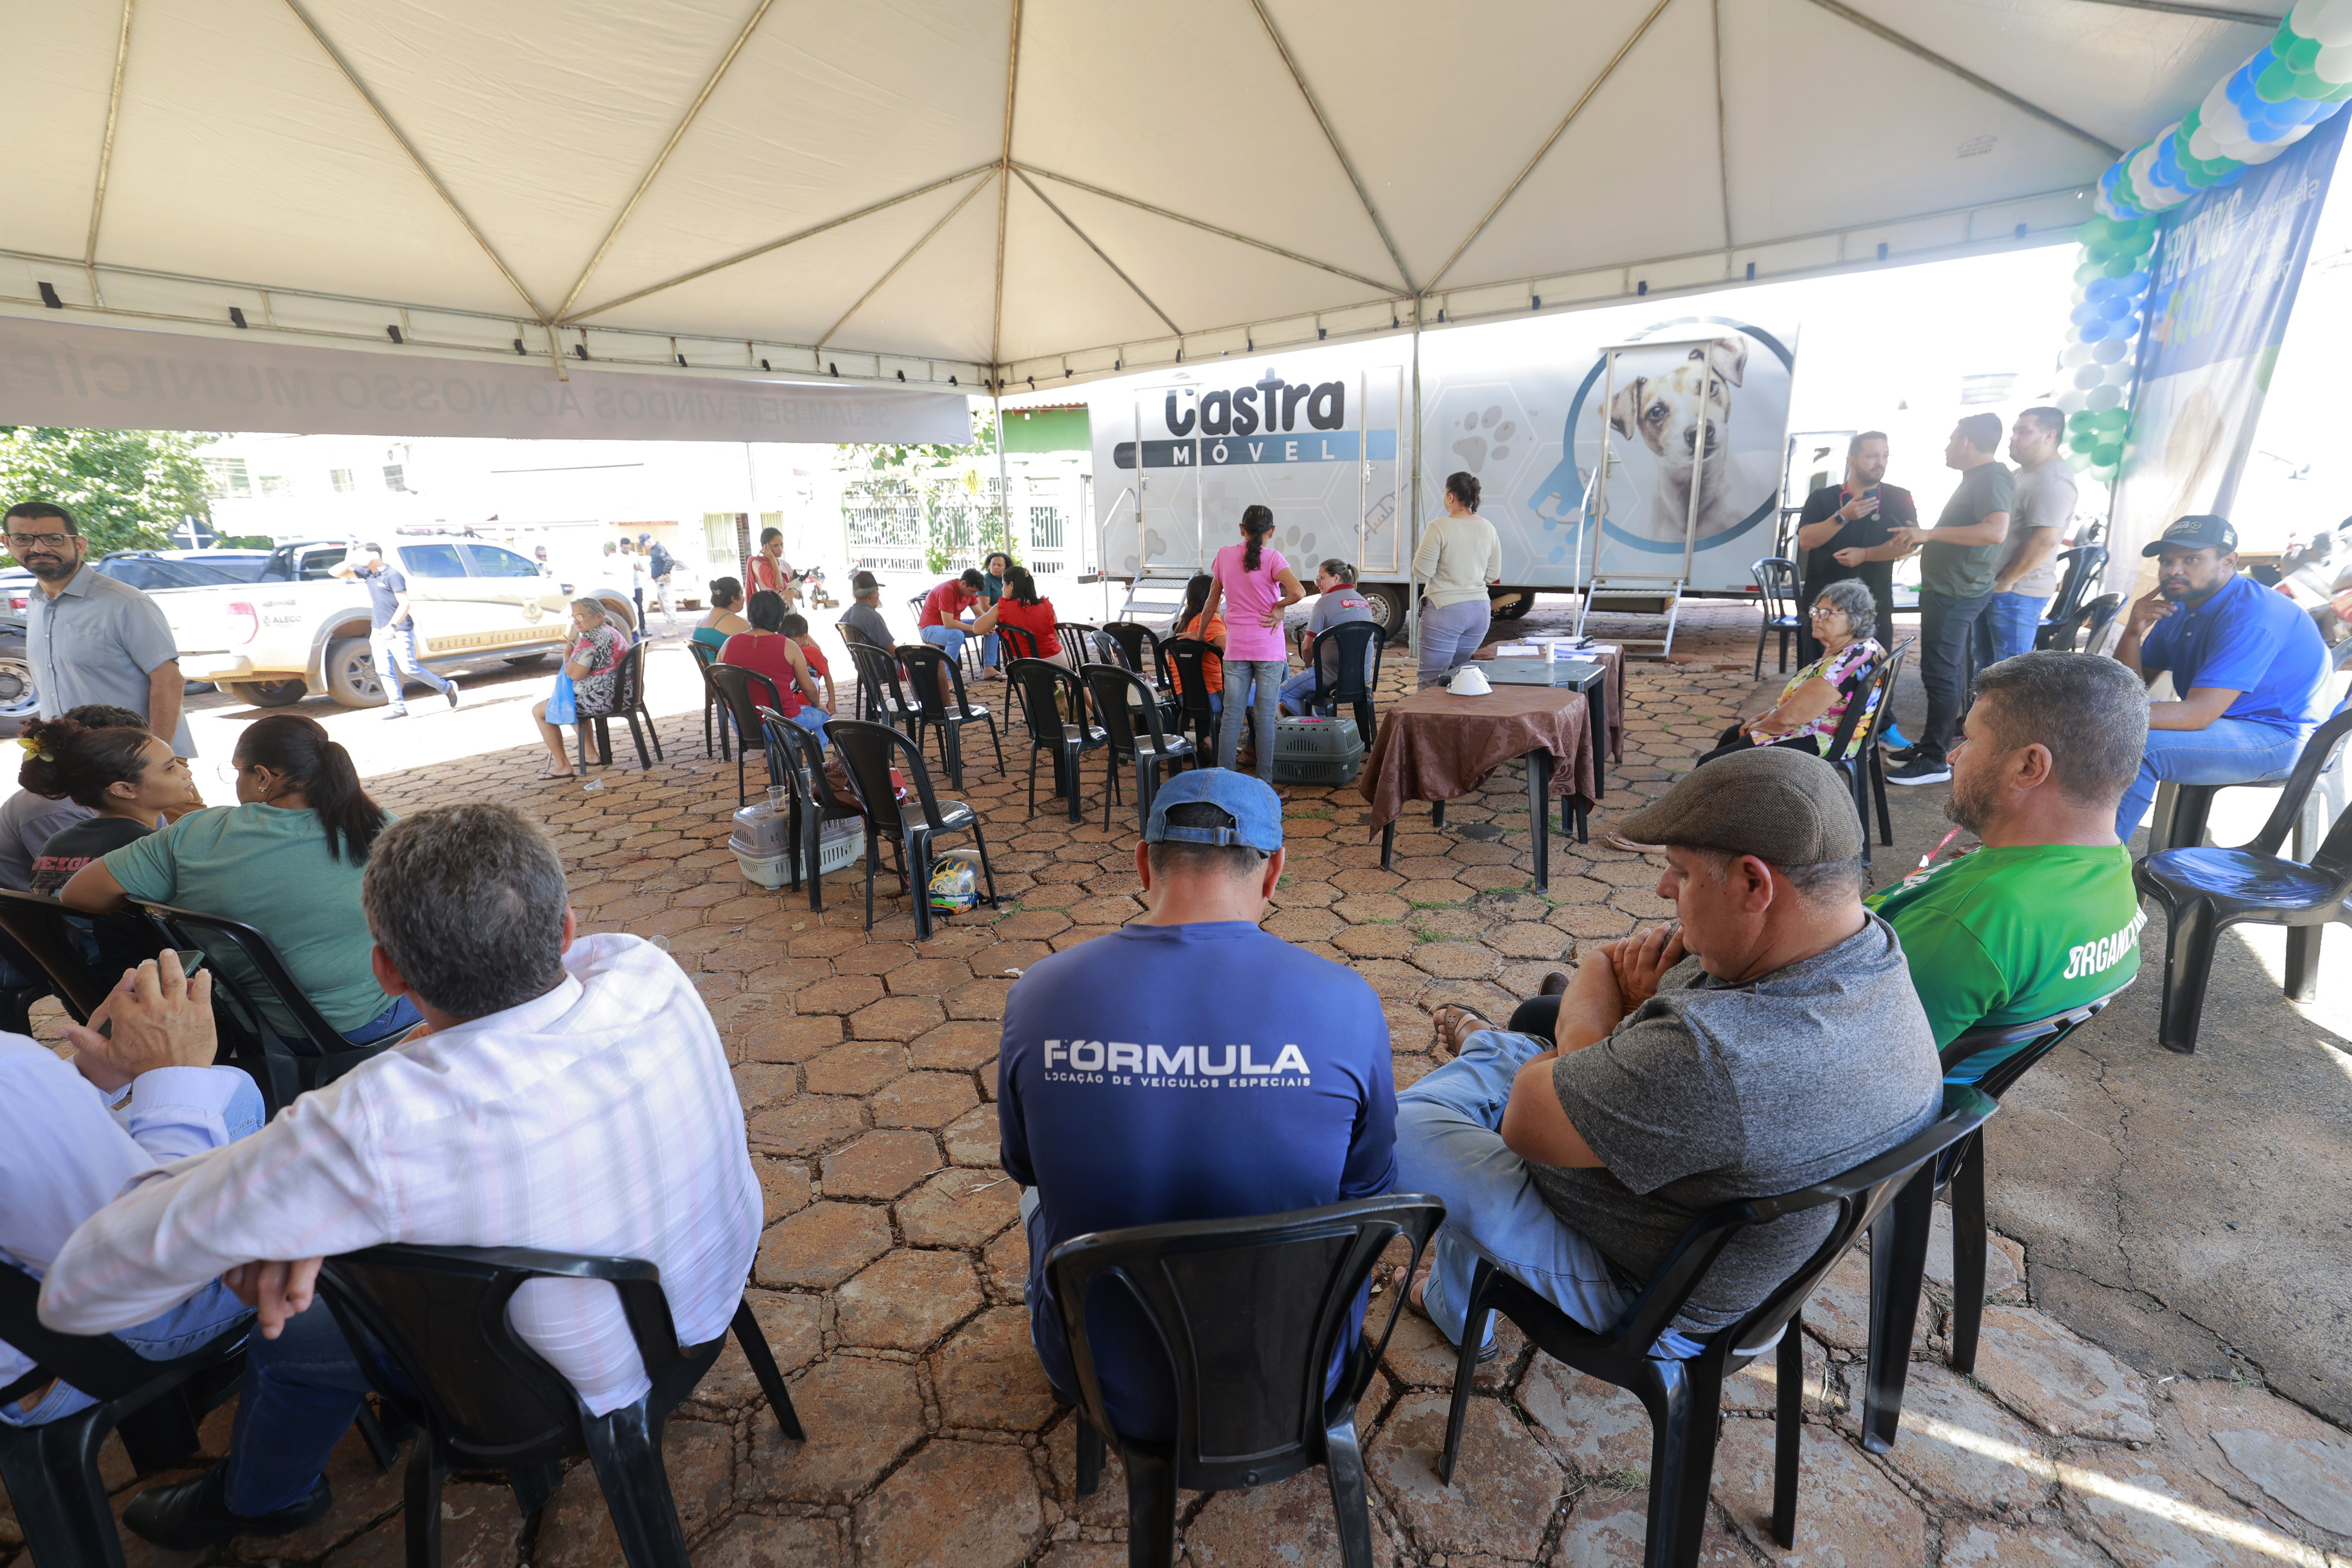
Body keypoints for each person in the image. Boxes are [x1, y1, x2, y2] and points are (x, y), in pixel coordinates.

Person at [43, 803, 760, 1547]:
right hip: (706, 1297)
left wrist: (173, 1082)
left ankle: (262, 1497)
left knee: (294, 1332)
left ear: (385, 971)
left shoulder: (370, 1123)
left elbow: (81, 1286)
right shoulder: (643, 969)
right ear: (566, 930)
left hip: (551, 1395)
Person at [1393, 747, 1940, 1357]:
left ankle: (1493, 1056)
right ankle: (1496, 1059)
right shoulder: (1871, 949)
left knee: (1400, 1128)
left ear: (1754, 883)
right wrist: (1631, 1020)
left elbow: (1529, 1125)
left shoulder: (1716, 1051)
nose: (1662, 888)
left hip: (1652, 1299)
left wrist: (1592, 1012)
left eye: (1680, 872)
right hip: (1725, 1253)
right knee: (1523, 1059)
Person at [997, 770, 1396, 1439]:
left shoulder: (1039, 992)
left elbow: (1024, 1166)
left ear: (1144, 863)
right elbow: (1369, 1186)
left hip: (1101, 1382)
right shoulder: (1347, 999)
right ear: (1274, 872)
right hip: (1295, 1373)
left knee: (1036, 1200)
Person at [3, 952, 264, 1431]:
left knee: (232, 1088)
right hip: (61, 1354)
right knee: (316, 1209)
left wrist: (85, 1080)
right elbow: (160, 1253)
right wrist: (177, 1072)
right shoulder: (11, 1072)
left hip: (31, 1315)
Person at [1867, 651, 2148, 1079]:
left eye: (1968, 740)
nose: (1952, 757)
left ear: (2029, 767)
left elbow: (1849, 1072)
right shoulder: (2108, 866)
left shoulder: (1972, 921)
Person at [60, 713, 420, 1047]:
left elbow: (77, 894)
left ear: (262, 777)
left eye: (236, 771)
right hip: (363, 1021)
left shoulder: (195, 833)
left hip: (249, 1024)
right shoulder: (385, 828)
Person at [2111, 515, 2333, 843]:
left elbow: (2197, 714)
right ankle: (2061, 847)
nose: (2174, 570)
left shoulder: (2252, 615)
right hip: (2224, 720)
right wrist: (2133, 632)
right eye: (2167, 561)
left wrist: (2096, 716)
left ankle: (2091, 865)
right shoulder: (2177, 608)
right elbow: (2128, 690)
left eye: (2191, 559)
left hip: (2285, 735)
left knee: (2136, 747)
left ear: (2229, 561)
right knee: (2104, 727)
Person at [1882, 414, 2015, 786]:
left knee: (1940, 673)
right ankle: (1932, 746)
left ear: (1966, 442)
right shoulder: (1978, 477)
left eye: (1951, 439)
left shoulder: (1992, 477)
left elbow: (1995, 531)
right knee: (1945, 671)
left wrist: (1929, 534)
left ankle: (1934, 760)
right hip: (1951, 588)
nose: (1947, 447)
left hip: (1956, 592)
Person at [9, 501, 195, 757]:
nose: (39, 548)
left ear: (79, 545)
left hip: (136, 759)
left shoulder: (125, 602)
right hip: (76, 758)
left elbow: (169, 681)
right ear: (7, 543)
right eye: (23, 539)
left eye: (53, 539)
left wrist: (155, 758)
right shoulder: (36, 603)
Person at [1693, 579, 1884, 766]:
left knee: (1710, 763)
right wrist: (1760, 719)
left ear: (1856, 619)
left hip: (1823, 740)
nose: (1817, 618)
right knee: (1731, 735)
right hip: (1823, 731)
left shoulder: (1844, 664)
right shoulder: (1865, 647)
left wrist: (1757, 727)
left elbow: (1788, 719)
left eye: (1827, 613)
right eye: (1816, 611)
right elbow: (1795, 704)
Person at [21, 717, 200, 895]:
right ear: (124, 789)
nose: (187, 772)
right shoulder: (154, 848)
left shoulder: (56, 843)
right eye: (169, 768)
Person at [0, 703, 153, 894]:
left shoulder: (127, 794)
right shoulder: (56, 809)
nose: (185, 772)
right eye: (140, 756)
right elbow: (85, 889)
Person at [1200, 507, 1305, 781]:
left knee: (1232, 716)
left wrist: (1199, 636)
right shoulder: (1274, 558)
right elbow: (1299, 592)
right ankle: (1264, 784)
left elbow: (1211, 603)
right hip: (1268, 650)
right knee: (1265, 718)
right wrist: (1279, 607)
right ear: (1272, 531)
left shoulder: (1224, 555)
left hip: (1236, 649)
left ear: (1242, 529)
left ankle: (1225, 780)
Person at [1794, 431, 1912, 658]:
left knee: (1872, 672)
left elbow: (1907, 544)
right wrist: (1842, 517)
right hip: (1824, 607)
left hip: (1874, 603)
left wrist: (1866, 554)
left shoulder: (1899, 497)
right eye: (1873, 456)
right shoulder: (1822, 498)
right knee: (1816, 670)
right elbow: (1807, 541)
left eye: (1885, 456)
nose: (1880, 462)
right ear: (1853, 461)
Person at [1978, 409, 2079, 667]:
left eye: (2024, 432)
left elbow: (2044, 540)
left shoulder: (2053, 480)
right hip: (2001, 587)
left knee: (2010, 673)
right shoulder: (2024, 473)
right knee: (1986, 668)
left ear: (2049, 436)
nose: (2013, 438)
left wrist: (2006, 582)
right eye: (2014, 431)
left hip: (2018, 592)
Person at [328, 543, 460, 721]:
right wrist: (352, 559)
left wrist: (393, 626)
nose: (359, 560)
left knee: (409, 668)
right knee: (384, 670)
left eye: (362, 555)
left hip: (399, 629)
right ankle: (398, 707)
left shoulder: (393, 575)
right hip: (378, 630)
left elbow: (405, 604)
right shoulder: (368, 573)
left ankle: (446, 687)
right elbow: (334, 572)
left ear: (375, 555)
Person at [1412, 472, 1504, 685]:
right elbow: (1493, 575)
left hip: (1445, 609)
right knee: (1461, 678)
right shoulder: (1489, 528)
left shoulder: (1438, 527)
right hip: (1480, 611)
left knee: (1431, 681)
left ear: (1451, 497)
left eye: (1444, 493)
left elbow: (1422, 572)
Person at [530, 600, 631, 779]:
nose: (576, 621)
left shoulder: (590, 640)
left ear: (598, 616)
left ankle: (562, 766)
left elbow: (575, 675)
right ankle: (590, 755)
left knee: (540, 711)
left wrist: (567, 657)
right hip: (625, 693)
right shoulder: (610, 630)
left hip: (605, 699)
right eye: (574, 617)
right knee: (570, 700)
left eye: (581, 616)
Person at [723, 590, 828, 749]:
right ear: (779, 618)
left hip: (743, 726)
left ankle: (790, 760)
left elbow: (720, 687)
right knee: (824, 718)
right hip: (781, 726)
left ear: (751, 613)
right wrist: (817, 704)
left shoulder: (728, 643)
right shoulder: (789, 646)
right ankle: (815, 764)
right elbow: (809, 689)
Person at [1279, 560, 1377, 716]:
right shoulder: (1363, 601)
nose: (1318, 584)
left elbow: (1307, 647)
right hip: (1361, 678)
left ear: (1336, 578)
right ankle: (1326, 723)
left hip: (1330, 677)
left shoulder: (1324, 602)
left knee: (1283, 693)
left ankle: (1317, 727)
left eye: (1321, 578)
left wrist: (1308, 665)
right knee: (1317, 690)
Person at [917, 569, 1001, 665]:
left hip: (952, 626)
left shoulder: (969, 591)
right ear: (963, 583)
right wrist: (977, 629)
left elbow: (979, 613)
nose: (974, 595)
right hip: (929, 629)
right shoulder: (947, 590)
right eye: (972, 591)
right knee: (957, 635)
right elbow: (949, 623)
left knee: (991, 628)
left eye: (976, 593)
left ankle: (989, 668)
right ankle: (948, 673)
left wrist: (987, 624)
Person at [1169, 573, 1228, 708]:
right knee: (1269, 688)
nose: (1221, 599)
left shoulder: (1182, 623)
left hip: (1182, 697)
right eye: (1220, 594)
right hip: (1211, 696)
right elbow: (1233, 655)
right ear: (1211, 597)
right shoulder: (1211, 620)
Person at [990, 566, 1064, 666]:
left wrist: (999, 605)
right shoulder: (1045, 604)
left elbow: (977, 628)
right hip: (1056, 660)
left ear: (1011, 585)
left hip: (1023, 663)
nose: (1002, 589)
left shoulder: (1002, 607)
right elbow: (1056, 636)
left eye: (1003, 585)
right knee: (1071, 673)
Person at [838, 570, 897, 652]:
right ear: (871, 596)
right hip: (879, 660)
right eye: (877, 592)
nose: (879, 595)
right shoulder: (873, 617)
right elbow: (892, 651)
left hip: (860, 660)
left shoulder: (846, 616)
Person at [978, 550, 1014, 675]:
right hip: (991, 615)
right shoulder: (986, 580)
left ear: (1006, 567)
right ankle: (989, 667)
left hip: (1008, 615)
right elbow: (984, 606)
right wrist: (1001, 616)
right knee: (992, 629)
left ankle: (1019, 662)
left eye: (1000, 565)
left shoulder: (1009, 580)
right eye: (993, 564)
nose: (996, 567)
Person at [747, 526, 799, 611]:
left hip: (789, 610)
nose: (780, 549)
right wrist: (772, 559)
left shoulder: (785, 564)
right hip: (770, 611)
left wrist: (793, 591)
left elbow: (798, 591)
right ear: (765, 546)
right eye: (775, 546)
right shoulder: (757, 563)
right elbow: (779, 584)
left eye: (781, 545)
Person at [695, 577, 750, 651]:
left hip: (708, 659)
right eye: (742, 594)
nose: (744, 598)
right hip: (723, 659)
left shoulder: (705, 619)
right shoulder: (733, 621)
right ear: (734, 598)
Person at [642, 533, 677, 631]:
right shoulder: (655, 550)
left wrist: (665, 573)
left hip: (663, 582)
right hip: (658, 581)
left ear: (648, 541)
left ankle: (673, 628)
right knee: (662, 605)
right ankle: (671, 627)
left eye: (644, 544)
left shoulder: (659, 548)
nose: (644, 547)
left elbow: (669, 561)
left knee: (667, 604)